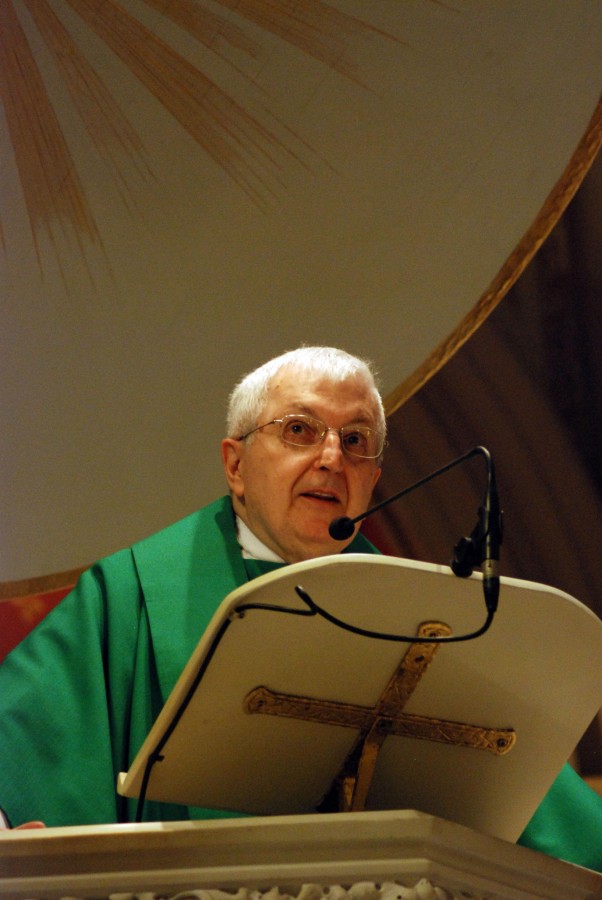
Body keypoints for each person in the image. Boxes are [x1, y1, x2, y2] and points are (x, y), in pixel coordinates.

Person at [0, 346, 600, 873]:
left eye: (356, 440)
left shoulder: (429, 616)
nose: (332, 458)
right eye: (299, 431)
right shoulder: (132, 592)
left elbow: (529, 794)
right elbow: (22, 737)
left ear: (374, 479)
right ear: (235, 465)